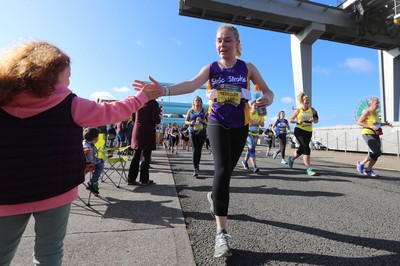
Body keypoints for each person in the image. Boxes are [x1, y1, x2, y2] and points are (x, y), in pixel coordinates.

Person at [0, 40, 162, 265]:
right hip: (55, 190)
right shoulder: (70, 104)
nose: (69, 81)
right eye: (67, 75)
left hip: (7, 195)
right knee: (49, 254)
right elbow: (112, 112)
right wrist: (142, 97)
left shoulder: (3, 100)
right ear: (50, 74)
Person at [133, 23, 273, 258]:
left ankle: (214, 197)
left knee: (227, 172)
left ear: (237, 43)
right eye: (219, 40)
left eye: (227, 40)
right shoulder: (211, 68)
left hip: (241, 125)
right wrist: (164, 90)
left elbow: (268, 91)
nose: (222, 44)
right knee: (220, 171)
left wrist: (266, 100)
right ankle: (221, 234)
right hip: (217, 122)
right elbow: (190, 84)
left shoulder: (247, 68)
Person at [356, 96, 392, 177]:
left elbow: (377, 124)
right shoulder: (366, 112)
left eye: (378, 103)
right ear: (371, 104)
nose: (378, 105)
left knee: (378, 153)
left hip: (375, 134)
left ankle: (368, 170)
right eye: (376, 103)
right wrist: (371, 126)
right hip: (367, 133)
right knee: (376, 152)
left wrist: (385, 124)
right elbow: (359, 122)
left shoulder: (376, 113)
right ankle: (361, 163)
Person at [127, 99, 161, 185]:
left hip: (137, 130)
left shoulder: (138, 101)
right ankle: (144, 179)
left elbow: (133, 117)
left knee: (136, 155)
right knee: (146, 156)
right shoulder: (154, 103)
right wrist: (159, 114)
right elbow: (155, 119)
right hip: (148, 131)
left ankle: (131, 179)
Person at [287, 92, 319, 176]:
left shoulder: (312, 110)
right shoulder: (298, 110)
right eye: (306, 100)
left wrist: (313, 120)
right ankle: (308, 169)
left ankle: (292, 159)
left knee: (302, 148)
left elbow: (317, 120)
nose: (307, 101)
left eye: (308, 100)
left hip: (308, 131)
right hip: (299, 130)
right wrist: (298, 121)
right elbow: (291, 119)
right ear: (302, 101)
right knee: (306, 148)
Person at [185, 96, 208, 178]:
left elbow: (209, 121)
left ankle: (197, 165)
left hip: (202, 133)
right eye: (196, 100)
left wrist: (202, 120)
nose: (197, 102)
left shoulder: (204, 110)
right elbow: (186, 121)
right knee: (195, 149)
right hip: (192, 132)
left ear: (201, 102)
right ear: (193, 102)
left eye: (199, 100)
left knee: (199, 149)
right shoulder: (190, 111)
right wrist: (190, 122)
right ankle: (195, 168)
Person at [242, 101, 265, 173]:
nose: (256, 107)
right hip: (248, 134)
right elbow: (245, 121)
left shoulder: (260, 115)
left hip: (256, 134)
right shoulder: (247, 113)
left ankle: (245, 161)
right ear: (251, 106)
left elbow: (263, 124)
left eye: (257, 106)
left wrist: (259, 122)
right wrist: (252, 121)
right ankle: (254, 166)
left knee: (250, 149)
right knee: (252, 149)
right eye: (254, 105)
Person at [82, 127, 105, 195]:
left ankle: (94, 183)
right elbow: (91, 160)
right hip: (87, 163)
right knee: (100, 165)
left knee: (100, 162)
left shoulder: (86, 143)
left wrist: (96, 150)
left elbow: (92, 153)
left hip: (87, 160)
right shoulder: (88, 147)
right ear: (95, 138)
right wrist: (99, 160)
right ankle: (92, 182)